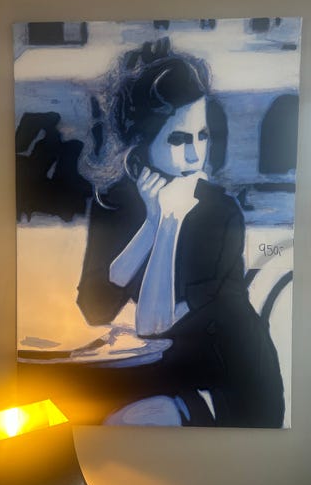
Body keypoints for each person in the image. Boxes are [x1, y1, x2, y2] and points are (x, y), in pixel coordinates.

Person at [77, 39, 285, 427]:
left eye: (202, 136)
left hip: (235, 381)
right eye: (178, 139)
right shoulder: (114, 203)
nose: (195, 154)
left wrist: (170, 223)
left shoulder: (219, 211)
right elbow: (94, 308)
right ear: (141, 141)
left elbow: (156, 328)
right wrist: (152, 223)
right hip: (171, 370)